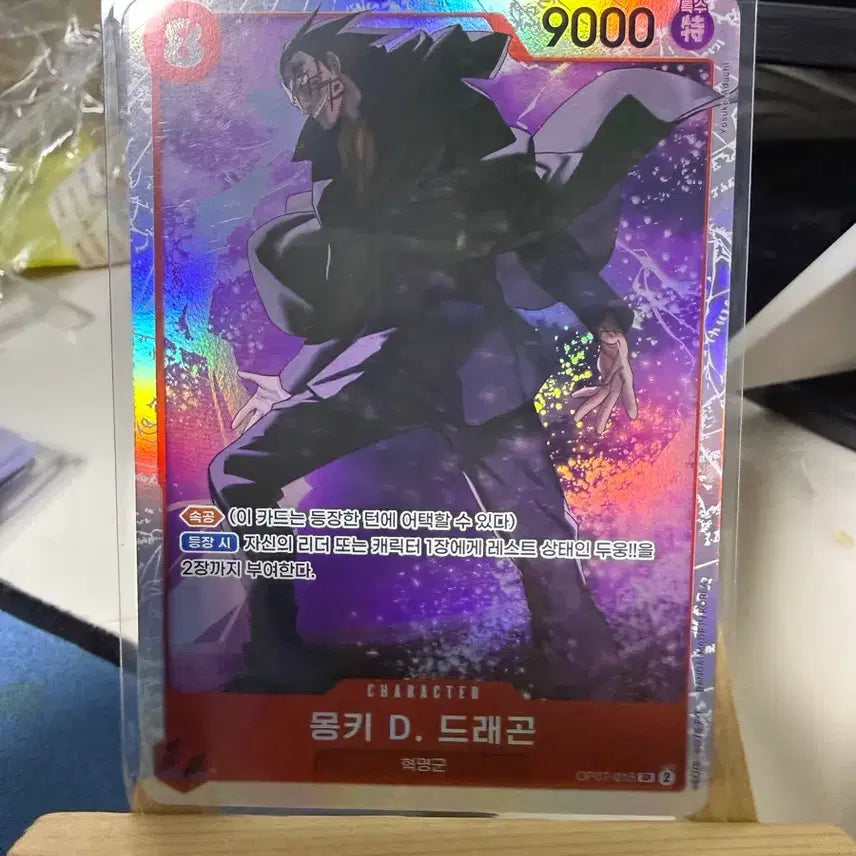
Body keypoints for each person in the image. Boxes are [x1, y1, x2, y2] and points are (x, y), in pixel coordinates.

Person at [209, 13, 717, 698]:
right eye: (290, 87)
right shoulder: (337, 165)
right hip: (391, 364)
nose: (301, 95)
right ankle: (278, 660)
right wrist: (297, 378)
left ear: (335, 65)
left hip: (479, 366)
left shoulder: (446, 113)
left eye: (302, 76)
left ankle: (588, 682)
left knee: (539, 537)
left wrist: (605, 322)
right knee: (239, 472)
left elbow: (533, 229)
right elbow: (364, 295)